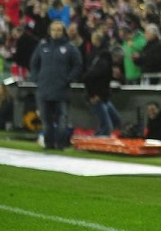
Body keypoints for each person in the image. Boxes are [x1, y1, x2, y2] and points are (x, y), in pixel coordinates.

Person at [29, 21, 82, 150]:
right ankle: (48, 144)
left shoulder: (70, 47)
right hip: (44, 90)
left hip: (62, 91)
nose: (56, 32)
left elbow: (78, 65)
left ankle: (59, 144)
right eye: (53, 30)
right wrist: (36, 78)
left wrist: (68, 79)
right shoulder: (42, 46)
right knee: (46, 120)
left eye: (58, 30)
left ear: (63, 31)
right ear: (49, 31)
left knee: (62, 120)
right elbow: (34, 63)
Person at [81, 31, 121, 137]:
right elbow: (87, 78)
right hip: (96, 97)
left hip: (103, 97)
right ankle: (97, 142)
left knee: (115, 120)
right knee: (107, 128)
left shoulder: (104, 62)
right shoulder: (104, 63)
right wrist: (92, 95)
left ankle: (99, 136)